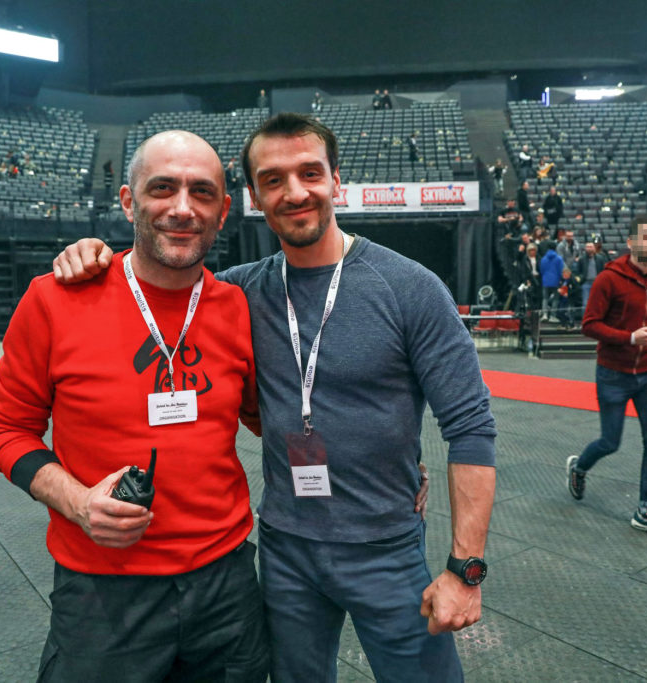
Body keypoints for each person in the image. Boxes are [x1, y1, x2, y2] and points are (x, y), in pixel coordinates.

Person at [51, 113, 498, 682]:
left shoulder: (409, 287)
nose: (294, 192)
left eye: (310, 173)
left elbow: (471, 427)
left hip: (385, 547)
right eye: (273, 179)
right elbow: (153, 272)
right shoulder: (237, 292)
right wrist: (90, 253)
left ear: (337, 180)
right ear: (254, 198)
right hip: (286, 551)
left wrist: (465, 571)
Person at [0, 132, 271, 680]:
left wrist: (386, 462)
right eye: (162, 189)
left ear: (224, 210)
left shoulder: (237, 306)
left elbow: (267, 417)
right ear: (128, 201)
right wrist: (77, 501)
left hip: (227, 586)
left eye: (202, 193)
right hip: (102, 590)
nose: (183, 209)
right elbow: (2, 429)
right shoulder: (54, 298)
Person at [566, 215, 647, 540]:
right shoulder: (608, 279)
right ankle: (579, 467)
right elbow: (589, 324)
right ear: (630, 242)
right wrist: (630, 338)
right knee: (610, 442)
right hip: (613, 373)